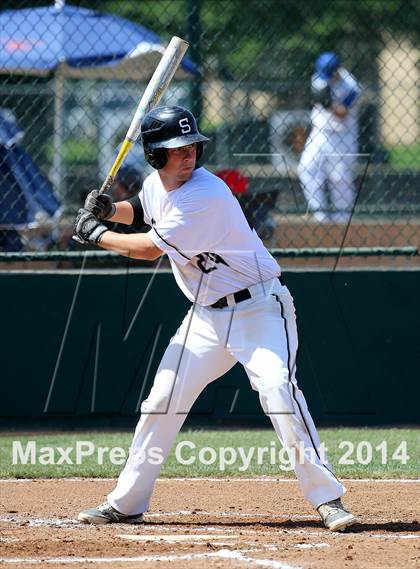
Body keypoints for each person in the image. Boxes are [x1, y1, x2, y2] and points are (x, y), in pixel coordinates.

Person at [73, 105, 357, 532]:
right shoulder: (157, 183)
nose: (187, 154)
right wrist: (111, 210)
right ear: (154, 155)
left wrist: (94, 232)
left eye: (192, 146)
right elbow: (145, 208)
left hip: (259, 310)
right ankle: (127, 503)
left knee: (278, 389)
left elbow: (150, 247)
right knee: (161, 401)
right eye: (176, 148)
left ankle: (327, 499)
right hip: (205, 318)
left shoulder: (205, 194)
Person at [298, 52, 361, 222]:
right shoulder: (319, 79)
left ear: (337, 71)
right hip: (319, 133)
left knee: (340, 180)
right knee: (306, 169)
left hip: (342, 136)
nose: (326, 78)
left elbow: (343, 113)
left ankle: (343, 221)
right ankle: (321, 217)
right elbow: (314, 98)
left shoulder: (351, 85)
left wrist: (328, 104)